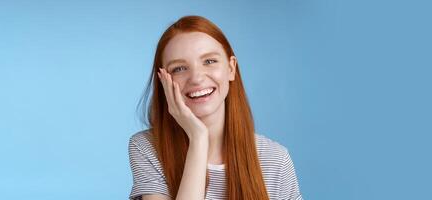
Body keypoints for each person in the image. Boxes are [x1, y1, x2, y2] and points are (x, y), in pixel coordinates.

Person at [128, 15, 303, 200]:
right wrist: (198, 138)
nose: (196, 78)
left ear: (231, 68)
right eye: (179, 68)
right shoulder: (147, 148)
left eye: (209, 61)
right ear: (163, 80)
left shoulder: (276, 159)